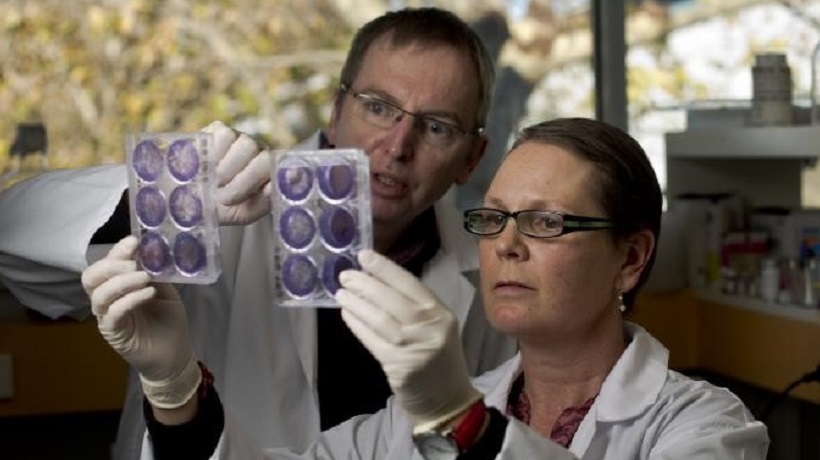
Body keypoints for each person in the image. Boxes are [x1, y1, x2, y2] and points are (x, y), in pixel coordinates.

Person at [83, 117, 769, 459]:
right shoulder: (401, 429)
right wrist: (175, 390)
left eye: (546, 221)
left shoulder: (707, 429)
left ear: (631, 258)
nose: (506, 242)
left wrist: (465, 423)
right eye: (493, 216)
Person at [0, 7, 517, 459]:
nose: (398, 145)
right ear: (337, 113)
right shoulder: (229, 211)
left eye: (436, 127)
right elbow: (13, 241)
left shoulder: (493, 277)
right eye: (379, 106)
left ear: (471, 158)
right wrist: (176, 194)